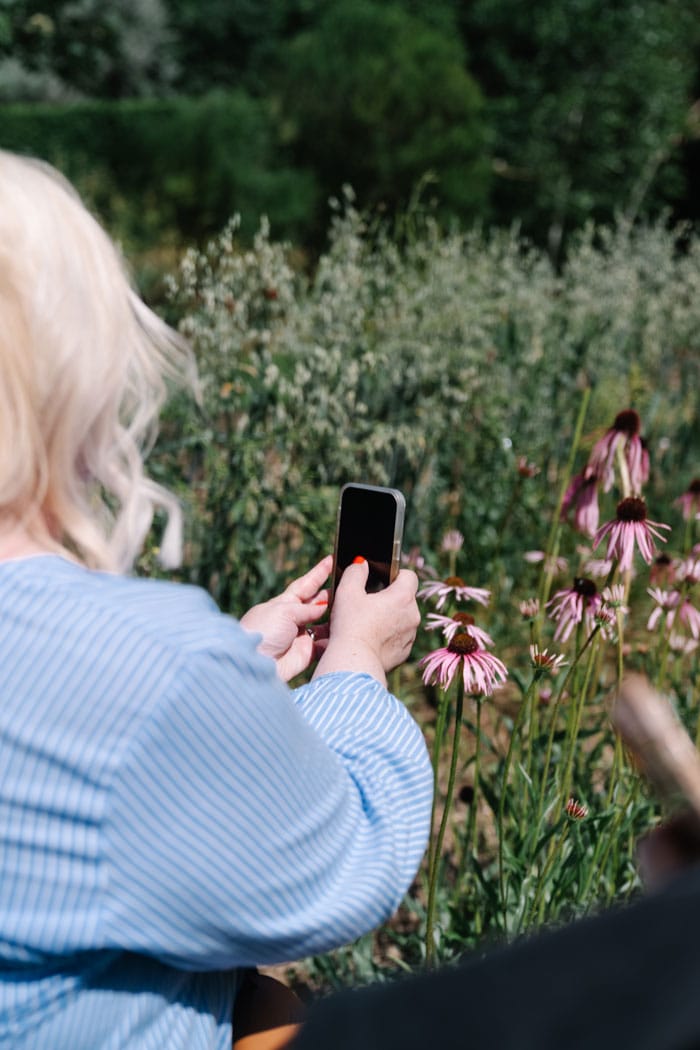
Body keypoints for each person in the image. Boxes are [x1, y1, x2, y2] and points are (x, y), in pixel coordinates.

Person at [0, 149, 433, 1049]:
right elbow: (344, 871)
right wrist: (355, 663)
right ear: (72, 381)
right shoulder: (143, 668)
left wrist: (226, 669)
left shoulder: (145, 672)